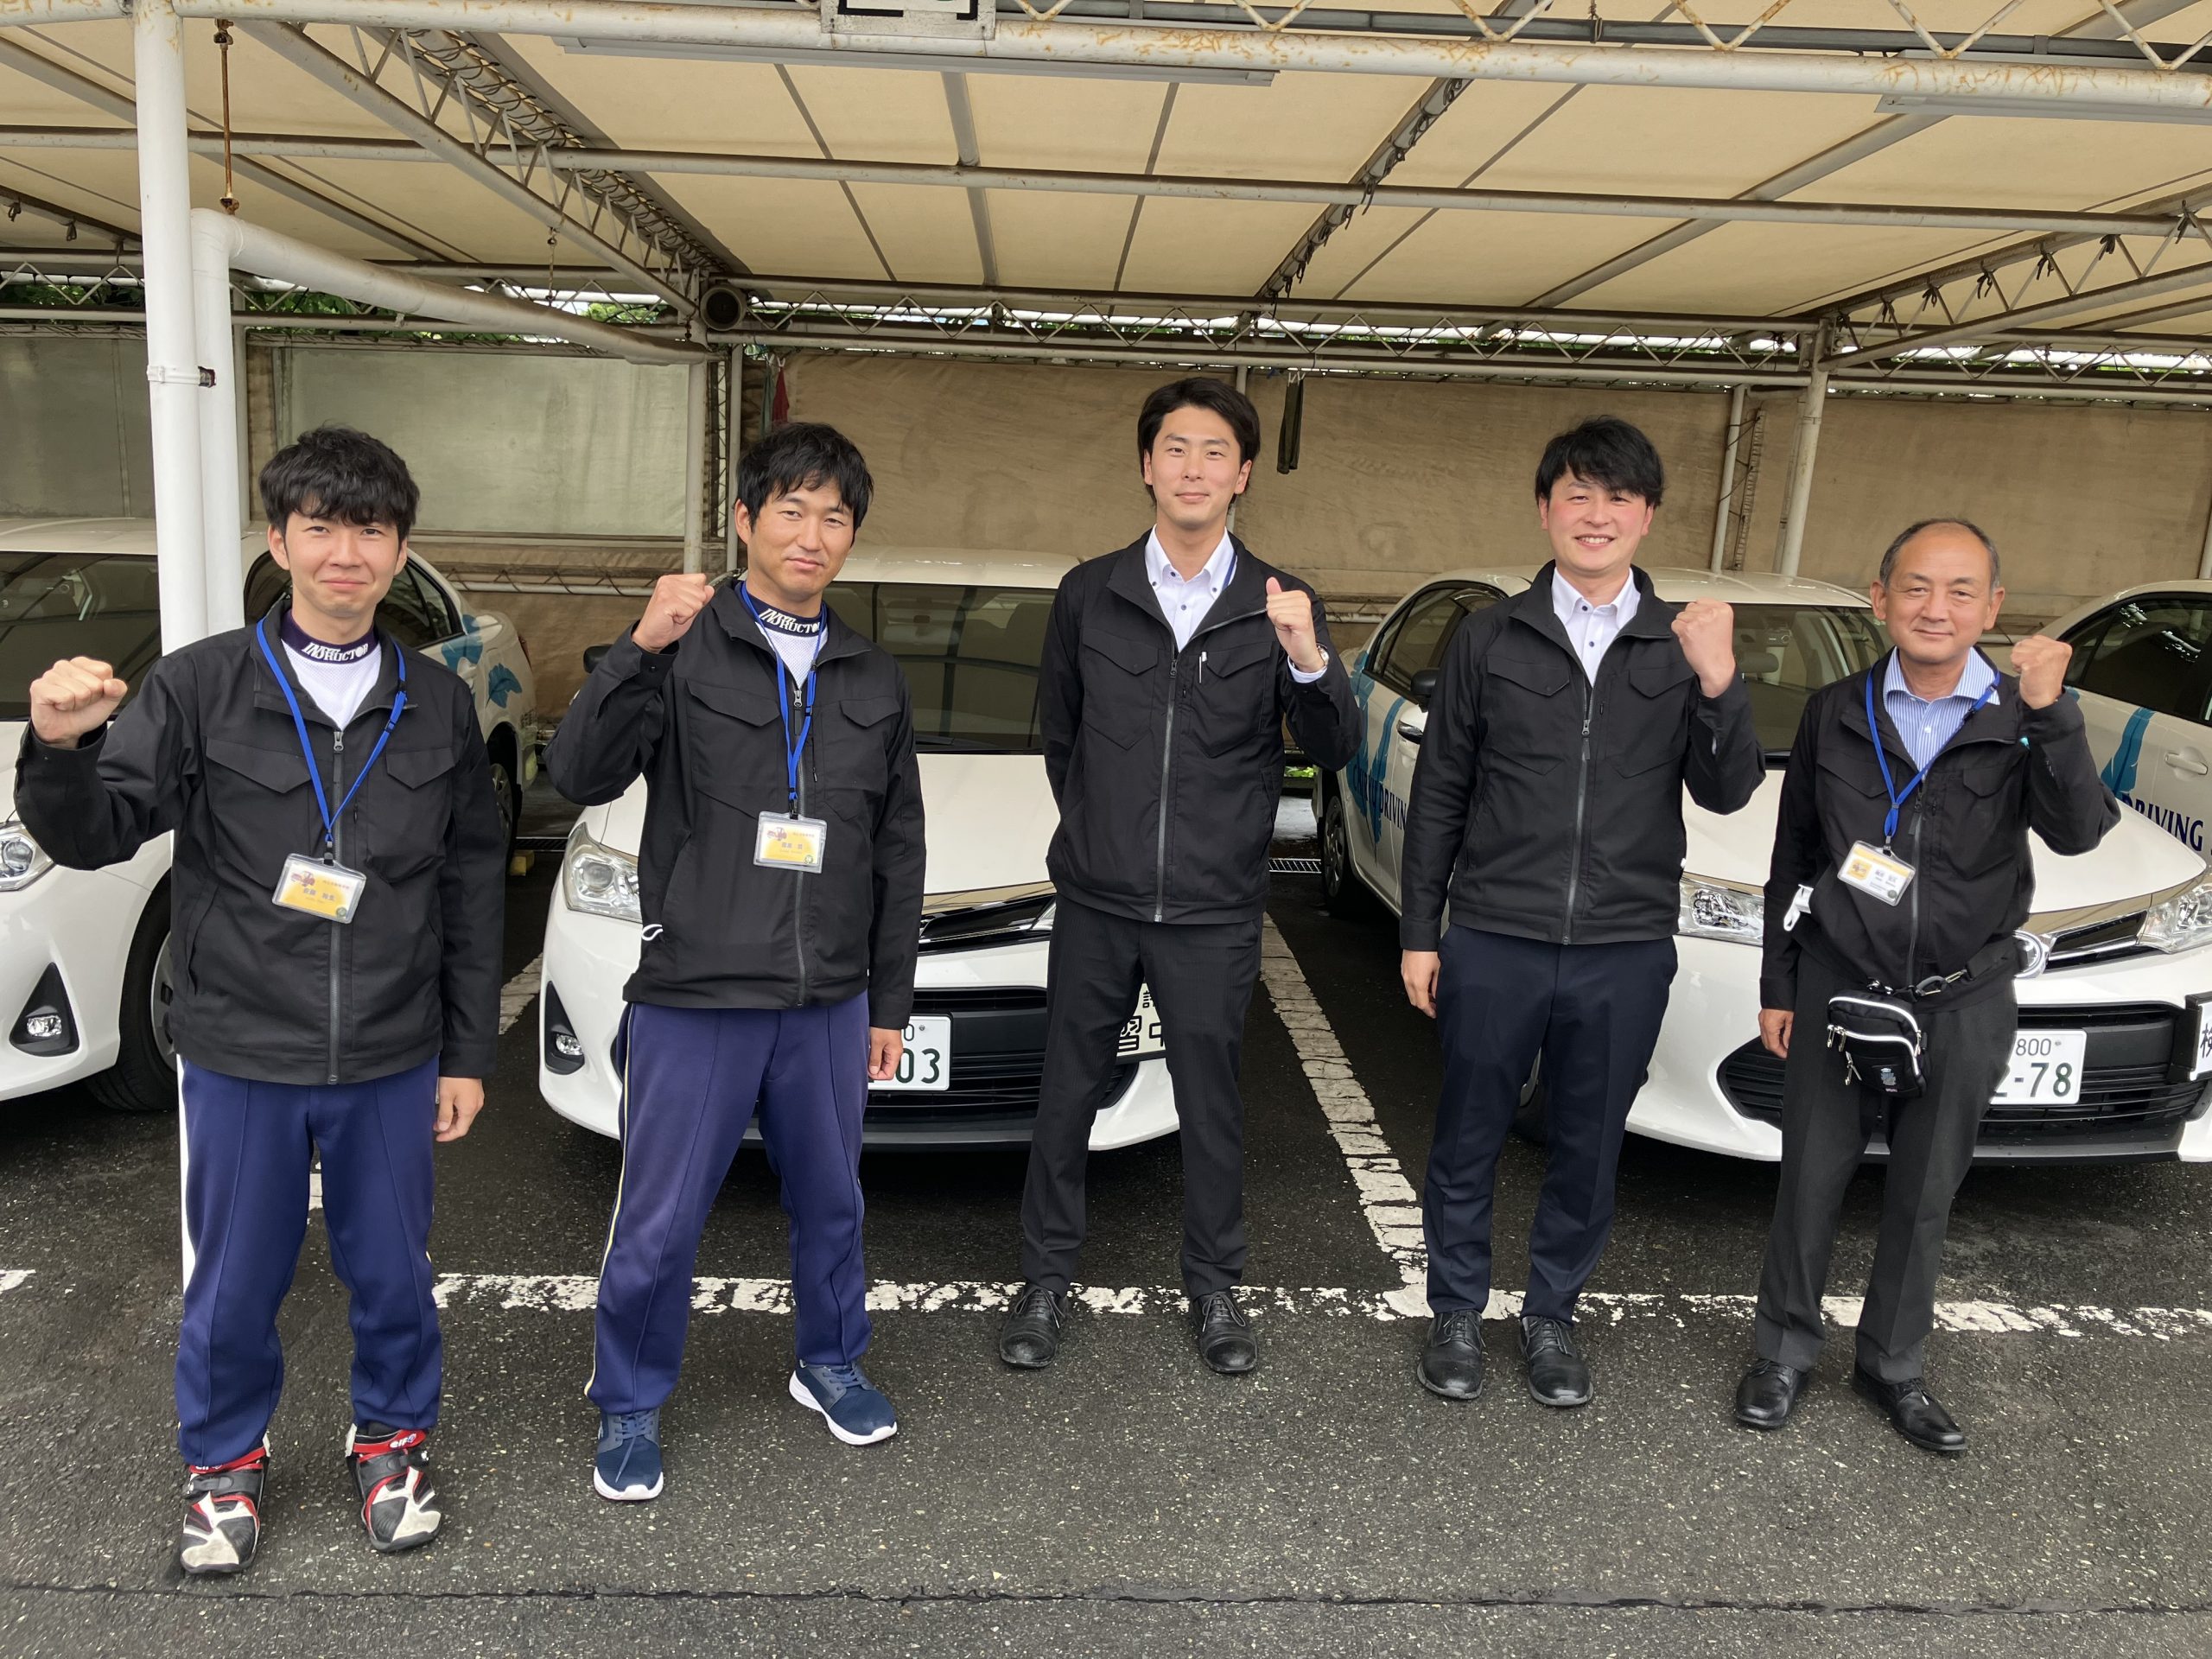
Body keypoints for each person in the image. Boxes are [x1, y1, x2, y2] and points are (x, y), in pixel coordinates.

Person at [17, 427, 505, 1574]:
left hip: (391, 1048)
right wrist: (59, 749)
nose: (346, 553)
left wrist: (466, 1053)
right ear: (279, 542)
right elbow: (97, 832)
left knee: (393, 1273)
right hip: (241, 1047)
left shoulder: (435, 703)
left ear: (399, 551)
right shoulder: (200, 685)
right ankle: (224, 1463)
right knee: (234, 1279)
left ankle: (392, 1444)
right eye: (319, 528)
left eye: (371, 530)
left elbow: (472, 885)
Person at [546, 422, 924, 1500]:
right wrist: (639, 646)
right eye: (791, 511)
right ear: (748, 521)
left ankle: (829, 1360)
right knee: (662, 1216)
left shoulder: (871, 675)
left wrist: (887, 1002)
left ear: (851, 537)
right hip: (698, 989)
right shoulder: (683, 647)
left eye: (834, 517)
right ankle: (628, 1400)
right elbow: (575, 772)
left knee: (833, 1200)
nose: (812, 535)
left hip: (827, 998)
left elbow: (898, 846)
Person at [997, 377, 1360, 1376]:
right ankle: (1044, 1278)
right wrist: (1104, 833)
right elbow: (1063, 739)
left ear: (1242, 475)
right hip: (1099, 896)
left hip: (1213, 906)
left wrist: (1307, 659)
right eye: (1175, 448)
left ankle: (1214, 1285)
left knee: (1211, 1102)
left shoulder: (1280, 602)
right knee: (1067, 1091)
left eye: (1214, 452)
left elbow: (1333, 747)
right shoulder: (1090, 591)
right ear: (1145, 465)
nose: (1193, 468)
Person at [1396, 416, 1763, 1408]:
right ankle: (1455, 1311)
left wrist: (1721, 681)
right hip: (1494, 933)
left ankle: (1552, 1314)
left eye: (1618, 498)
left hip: (1623, 944)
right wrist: (1421, 932)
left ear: (1647, 516)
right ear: (1544, 509)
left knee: (1589, 1141)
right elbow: (1441, 791)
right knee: (1468, 1131)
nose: (1595, 515)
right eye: (1576, 495)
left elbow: (1727, 790)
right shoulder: (1490, 635)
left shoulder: (1680, 641)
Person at [1732, 519, 2118, 1453]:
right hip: (1838, 979)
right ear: (1881, 599)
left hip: (1962, 994)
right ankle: (1782, 1351)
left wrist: (2052, 712)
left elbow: (2077, 832)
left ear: (1992, 607)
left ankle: (1891, 1366)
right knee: (1809, 1179)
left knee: (1924, 1191)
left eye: (1959, 591)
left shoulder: (2022, 714)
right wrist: (1779, 983)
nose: (1934, 608)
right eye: (1915, 587)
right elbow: (1795, 854)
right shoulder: (1835, 710)